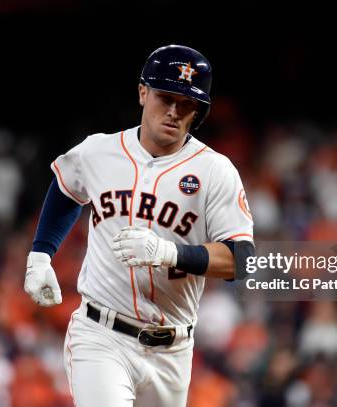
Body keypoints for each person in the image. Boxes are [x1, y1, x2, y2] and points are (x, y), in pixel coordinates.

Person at [24, 44, 255, 407]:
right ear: (143, 91)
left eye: (187, 103)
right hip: (102, 336)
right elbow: (67, 187)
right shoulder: (99, 151)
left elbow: (241, 259)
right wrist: (40, 254)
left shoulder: (215, 171)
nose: (175, 111)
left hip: (173, 350)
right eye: (166, 97)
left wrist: (169, 253)